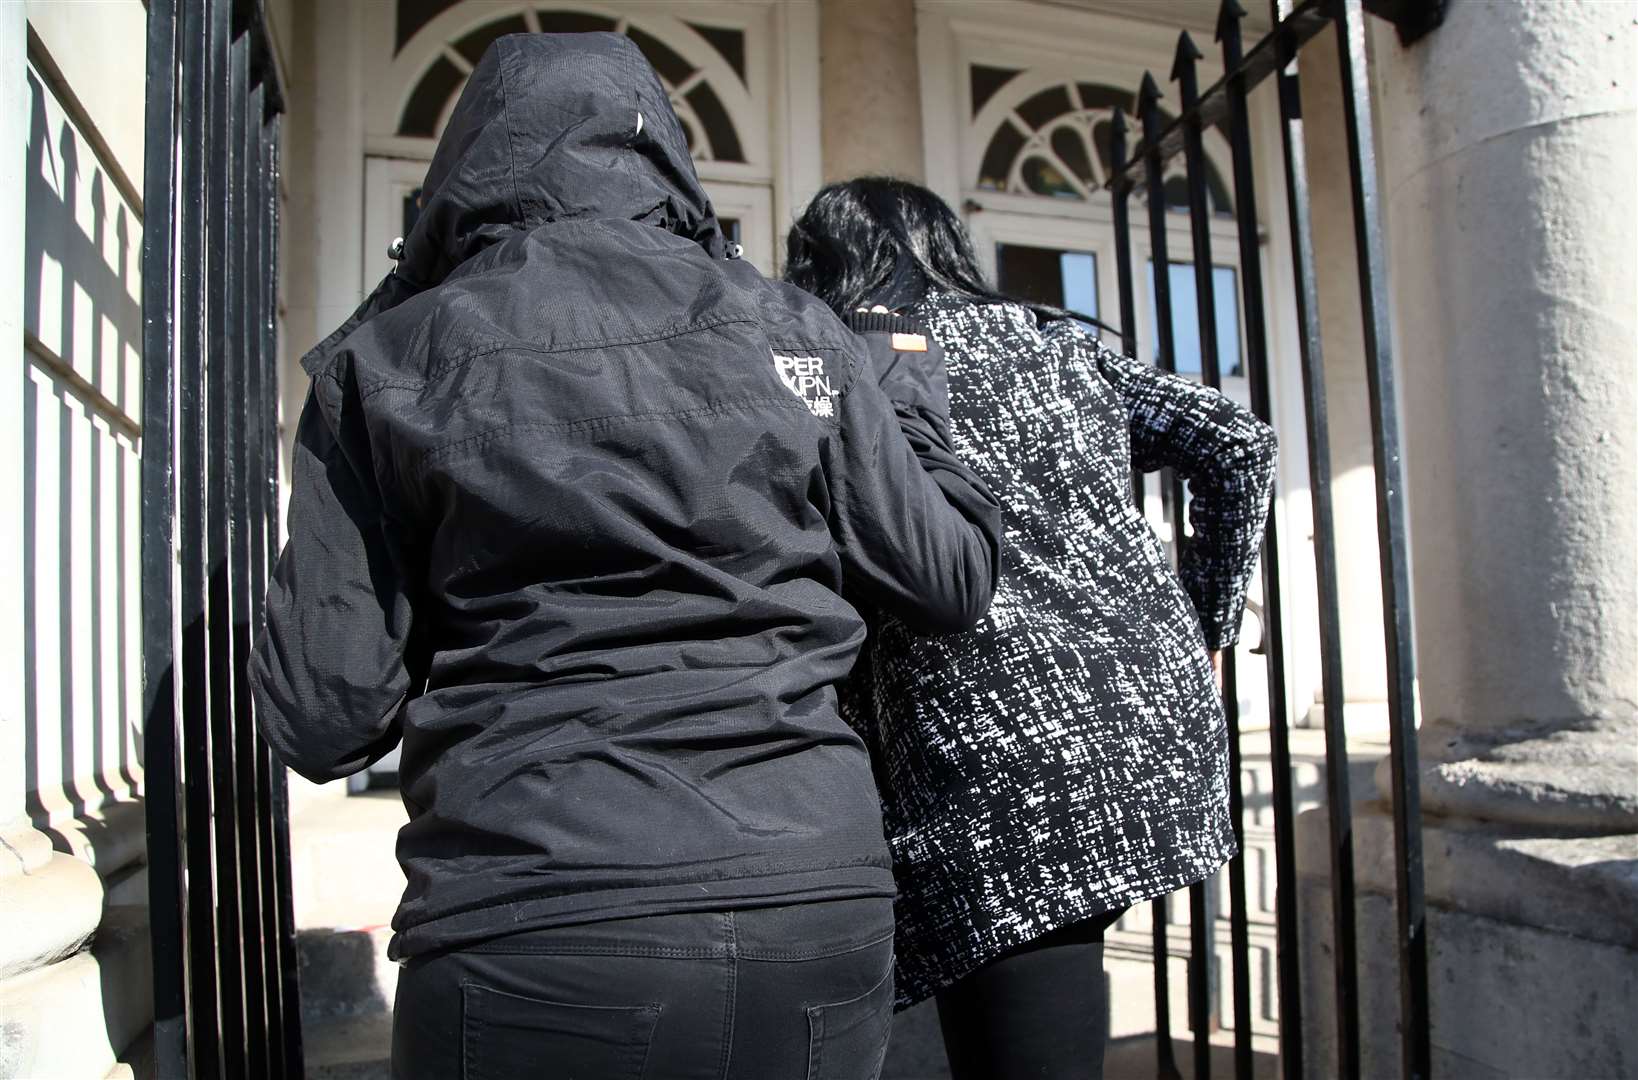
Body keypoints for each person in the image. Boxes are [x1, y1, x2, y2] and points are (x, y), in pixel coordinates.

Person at [250, 41, 1002, 1080]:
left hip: (537, 908)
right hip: (809, 897)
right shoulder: (795, 330)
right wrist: (912, 399)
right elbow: (945, 578)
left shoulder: (387, 360)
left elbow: (327, 717)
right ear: (667, 158)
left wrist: (400, 290)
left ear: (464, 169)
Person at [785, 177, 1277, 1080]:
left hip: (990, 738)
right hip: (1137, 719)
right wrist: (1207, 621)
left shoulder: (850, 366)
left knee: (1014, 997)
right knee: (1037, 959)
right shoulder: (1054, 349)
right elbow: (1239, 442)